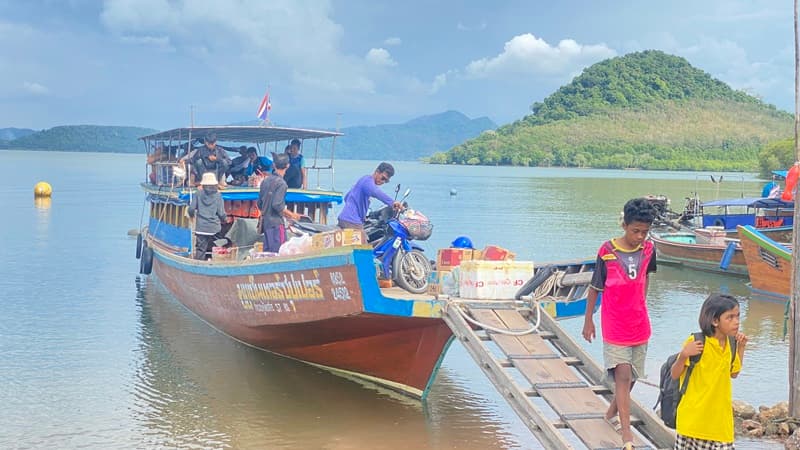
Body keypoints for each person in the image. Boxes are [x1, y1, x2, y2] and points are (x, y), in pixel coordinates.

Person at [581, 197, 657, 450]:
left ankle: (610, 412)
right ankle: (627, 435)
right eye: (636, 231)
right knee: (622, 375)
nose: (640, 237)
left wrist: (642, 303)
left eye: (645, 232)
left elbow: (645, 278)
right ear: (624, 225)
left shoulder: (649, 249)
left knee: (632, 376)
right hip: (614, 323)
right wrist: (588, 319)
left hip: (639, 323)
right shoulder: (607, 251)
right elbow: (595, 287)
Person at [671, 293, 747, 450]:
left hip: (720, 424)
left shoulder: (731, 344)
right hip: (693, 422)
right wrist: (684, 355)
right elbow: (674, 374)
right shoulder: (697, 342)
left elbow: (733, 373)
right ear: (714, 321)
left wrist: (741, 348)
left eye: (738, 316)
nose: (737, 322)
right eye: (730, 317)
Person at [257, 153, 302, 252]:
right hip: (276, 224)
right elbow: (277, 205)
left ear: (274, 165)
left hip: (266, 224)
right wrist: (292, 215)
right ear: (287, 165)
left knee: (267, 254)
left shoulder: (265, 181)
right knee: (280, 252)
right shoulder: (282, 184)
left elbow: (259, 204)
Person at [337, 162, 401, 229]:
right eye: (383, 178)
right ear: (377, 172)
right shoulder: (368, 182)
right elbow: (376, 192)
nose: (383, 182)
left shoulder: (364, 179)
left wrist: (360, 213)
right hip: (352, 221)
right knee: (363, 239)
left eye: (386, 181)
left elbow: (347, 197)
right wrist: (393, 203)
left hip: (344, 219)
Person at [187, 172, 228, 260]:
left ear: (204, 184)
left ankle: (198, 267)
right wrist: (225, 219)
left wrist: (191, 216)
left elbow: (191, 209)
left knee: (201, 250)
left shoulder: (198, 194)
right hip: (214, 228)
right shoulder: (218, 195)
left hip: (201, 228)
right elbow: (221, 213)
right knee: (217, 249)